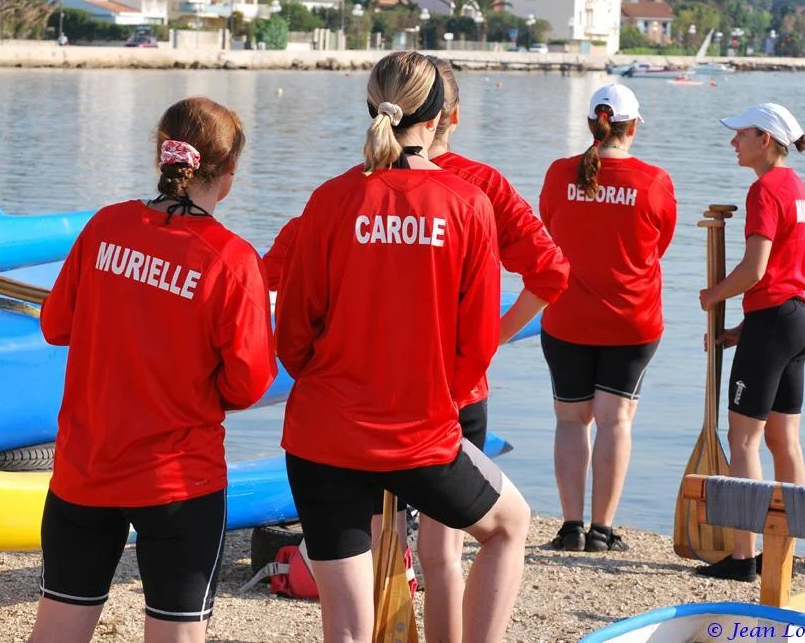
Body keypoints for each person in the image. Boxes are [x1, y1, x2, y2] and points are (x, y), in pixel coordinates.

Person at [276, 51, 530, 643]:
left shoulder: (330, 199)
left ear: (373, 108)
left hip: (323, 431)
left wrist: (332, 381)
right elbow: (474, 346)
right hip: (417, 432)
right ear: (440, 116)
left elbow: (292, 329)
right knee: (509, 525)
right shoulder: (467, 203)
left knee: (345, 619)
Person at [29, 97, 277, 643]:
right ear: (229, 172)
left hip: (86, 468)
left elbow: (55, 325)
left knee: (57, 633)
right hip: (178, 480)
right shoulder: (231, 259)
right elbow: (250, 383)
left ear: (161, 155)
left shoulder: (106, 225)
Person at [416, 54, 569, 643]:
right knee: (443, 544)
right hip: (455, 390)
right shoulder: (481, 184)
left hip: (367, 392)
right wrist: (495, 338)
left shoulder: (360, 183)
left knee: (387, 545)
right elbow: (552, 273)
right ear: (453, 116)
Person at [538, 83, 677, 553]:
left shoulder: (559, 174)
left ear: (591, 124)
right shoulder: (654, 181)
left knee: (571, 420)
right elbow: (659, 244)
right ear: (632, 127)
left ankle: (570, 527)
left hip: (567, 317)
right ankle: (602, 530)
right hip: (631, 320)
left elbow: (551, 227)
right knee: (615, 420)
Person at [696, 103, 805, 582]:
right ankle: (787, 549)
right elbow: (785, 275)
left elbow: (756, 269)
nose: (733, 143)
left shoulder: (765, 189)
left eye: (740, 134)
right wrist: (741, 330)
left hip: (774, 322)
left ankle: (744, 557)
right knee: (784, 440)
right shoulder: (800, 189)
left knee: (743, 439)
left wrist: (714, 295)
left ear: (765, 139)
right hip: (798, 319)